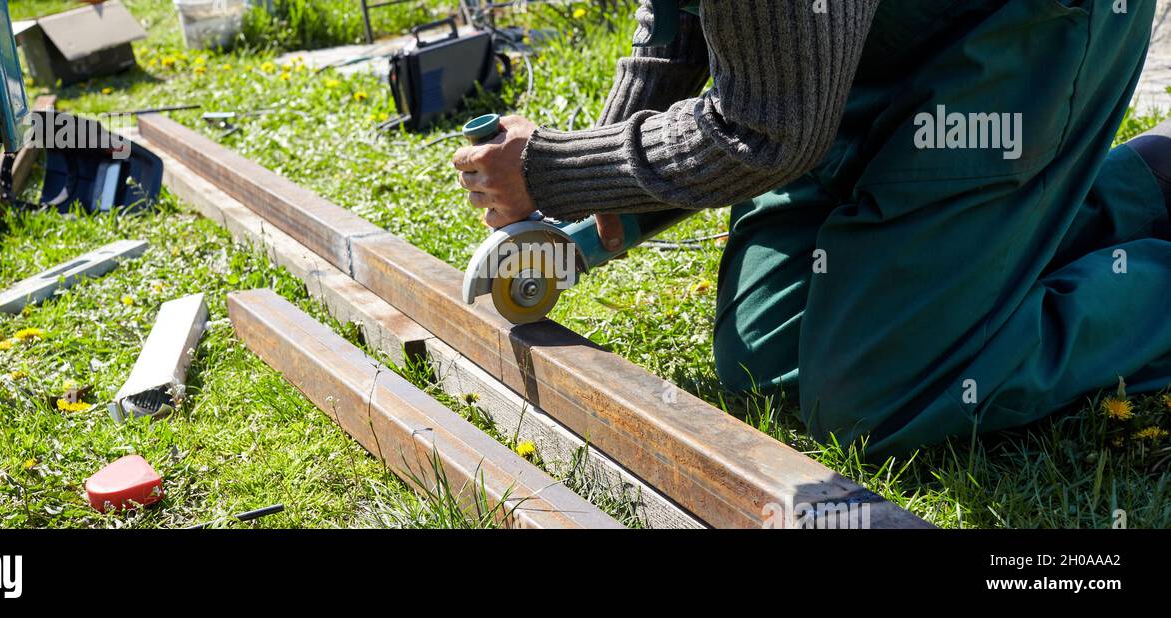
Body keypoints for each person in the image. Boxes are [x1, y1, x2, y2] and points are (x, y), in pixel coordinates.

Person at [452, 0, 1170, 456]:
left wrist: (554, 167)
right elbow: (677, 25)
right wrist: (589, 203)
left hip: (1018, 26)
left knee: (874, 391)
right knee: (764, 358)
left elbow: (766, 135)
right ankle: (1145, 184)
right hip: (855, 38)